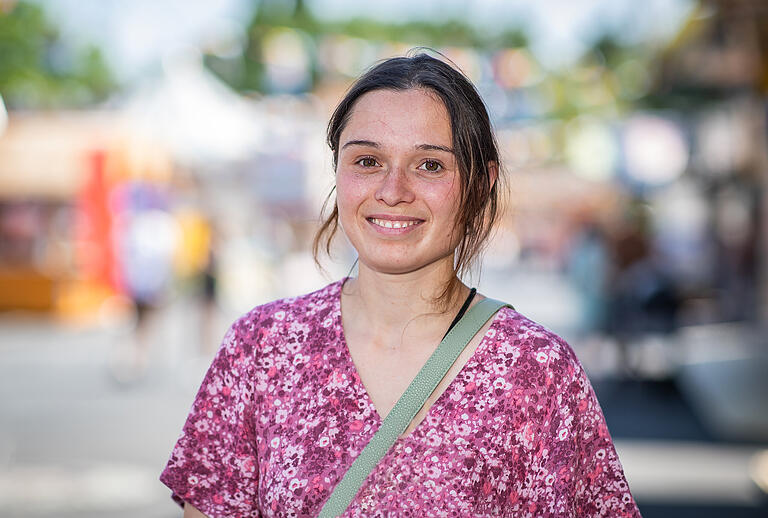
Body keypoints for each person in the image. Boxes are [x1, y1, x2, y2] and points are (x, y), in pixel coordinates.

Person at [161, 52, 641, 517]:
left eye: (429, 165)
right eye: (367, 161)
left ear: (482, 183)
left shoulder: (535, 372)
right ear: (338, 173)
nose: (392, 191)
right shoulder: (263, 348)